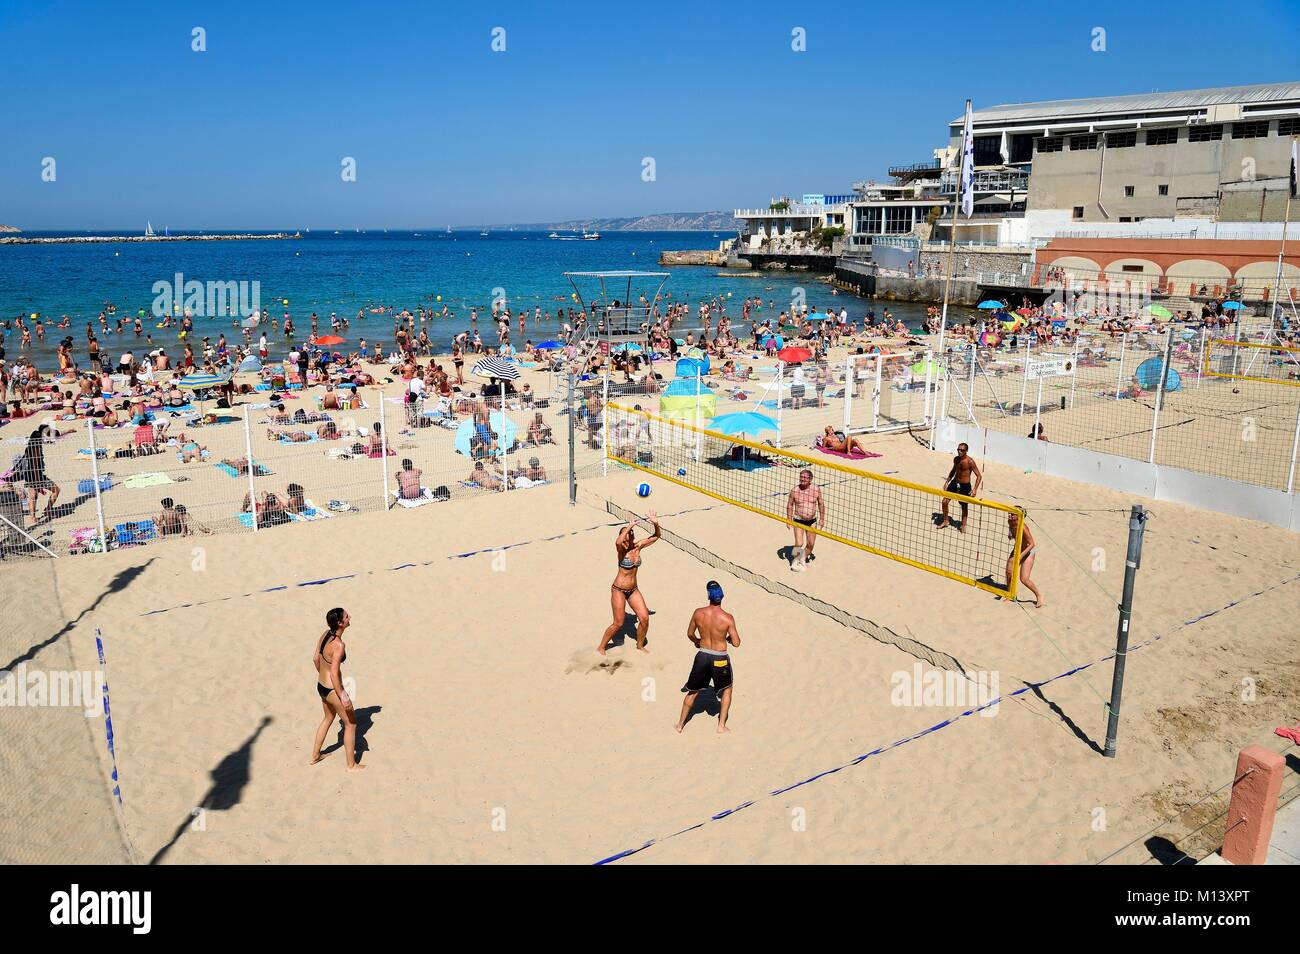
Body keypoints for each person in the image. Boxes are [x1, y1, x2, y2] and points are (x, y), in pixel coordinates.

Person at [675, 581, 741, 735]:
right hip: (720, 658)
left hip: (703, 656)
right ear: (722, 597)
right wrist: (729, 639)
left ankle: (680, 725)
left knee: (693, 691)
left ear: (708, 596)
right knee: (727, 690)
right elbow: (737, 643)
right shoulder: (727, 618)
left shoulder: (698, 613)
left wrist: (697, 641)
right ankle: (721, 726)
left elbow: (690, 634)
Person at [308, 607, 365, 772]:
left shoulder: (326, 634)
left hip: (321, 685)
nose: (350, 617)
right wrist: (342, 695)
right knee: (351, 724)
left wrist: (322, 677)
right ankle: (351, 765)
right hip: (333, 689)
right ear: (340, 623)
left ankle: (315, 756)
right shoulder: (339, 645)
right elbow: (334, 674)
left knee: (328, 718)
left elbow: (315, 659)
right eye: (347, 616)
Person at [597, 510, 660, 655]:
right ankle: (601, 647)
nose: (630, 537)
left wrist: (656, 524)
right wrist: (629, 527)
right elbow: (618, 541)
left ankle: (640, 645)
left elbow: (656, 536)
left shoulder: (638, 547)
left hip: (633, 590)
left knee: (644, 618)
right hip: (618, 589)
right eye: (628, 535)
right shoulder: (621, 550)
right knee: (618, 623)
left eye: (632, 535)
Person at [937, 442, 982, 533]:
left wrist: (974, 489)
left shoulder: (970, 462)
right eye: (958, 449)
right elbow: (953, 471)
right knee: (944, 502)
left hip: (965, 485)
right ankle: (946, 521)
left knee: (964, 506)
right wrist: (947, 482)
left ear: (966, 451)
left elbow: (979, 476)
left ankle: (963, 525)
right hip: (954, 482)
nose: (959, 451)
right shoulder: (956, 459)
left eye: (962, 450)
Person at [785, 469, 824, 572]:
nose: (803, 479)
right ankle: (795, 560)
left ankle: (802, 558)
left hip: (812, 521)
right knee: (799, 543)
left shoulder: (816, 490)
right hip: (798, 520)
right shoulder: (795, 490)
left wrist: (822, 519)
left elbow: (821, 504)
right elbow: (790, 504)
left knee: (811, 544)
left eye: (805, 477)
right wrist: (788, 519)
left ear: (810, 479)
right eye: (801, 477)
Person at [1005, 512, 1043, 608]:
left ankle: (1039, 595)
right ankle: (1010, 594)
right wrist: (1010, 535)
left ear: (1019, 516)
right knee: (1009, 573)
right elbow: (1011, 535)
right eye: (1009, 513)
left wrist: (1021, 556)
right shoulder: (1010, 522)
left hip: (1028, 552)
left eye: (1013, 514)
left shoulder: (1023, 527)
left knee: (1024, 579)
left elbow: (1032, 544)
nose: (1010, 515)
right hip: (1017, 549)